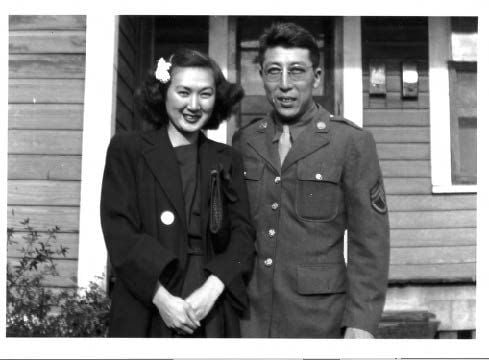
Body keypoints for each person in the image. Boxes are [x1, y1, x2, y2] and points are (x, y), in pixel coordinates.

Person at [233, 22, 390, 338]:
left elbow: (369, 242)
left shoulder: (350, 142)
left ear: (316, 78)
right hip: (249, 318)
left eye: (297, 71)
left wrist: (361, 323)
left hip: (320, 321)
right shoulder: (244, 141)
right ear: (262, 76)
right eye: (274, 71)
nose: (285, 85)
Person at [100, 48, 255, 337]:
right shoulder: (128, 150)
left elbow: (243, 235)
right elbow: (119, 231)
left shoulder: (226, 158)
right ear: (164, 93)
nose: (194, 105)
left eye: (205, 94)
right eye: (184, 92)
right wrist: (162, 299)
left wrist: (211, 291)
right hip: (147, 298)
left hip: (209, 304)